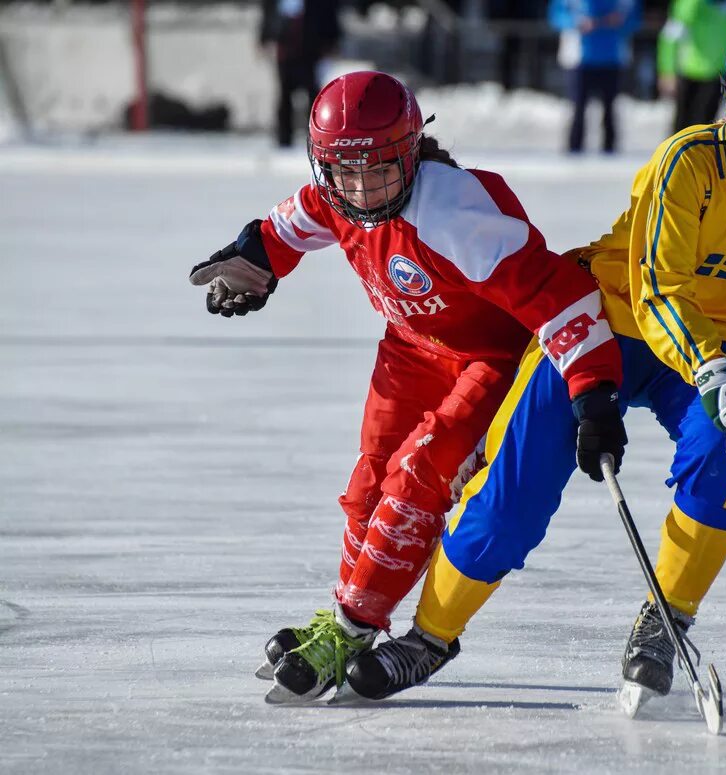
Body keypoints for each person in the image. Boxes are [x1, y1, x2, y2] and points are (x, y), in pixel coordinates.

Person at [343, 14, 726, 704]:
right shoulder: (688, 164)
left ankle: (666, 620)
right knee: (516, 486)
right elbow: (661, 286)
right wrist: (714, 369)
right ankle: (429, 635)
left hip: (720, 352)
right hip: (611, 324)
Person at [187, 71, 625, 703]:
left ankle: (349, 629)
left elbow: (558, 295)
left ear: (412, 151)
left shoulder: (452, 213)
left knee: (417, 475)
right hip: (411, 348)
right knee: (369, 480)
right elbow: (292, 225)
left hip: (489, 357)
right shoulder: (334, 195)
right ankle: (348, 617)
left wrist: (593, 389)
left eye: (382, 172)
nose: (364, 191)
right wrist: (257, 262)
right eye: (346, 173)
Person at [549, 0, 642, 154]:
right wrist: (576, 23)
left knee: (610, 110)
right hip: (579, 59)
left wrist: (620, 21)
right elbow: (556, 16)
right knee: (578, 109)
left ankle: (610, 152)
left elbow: (634, 19)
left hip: (612, 58)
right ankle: (574, 152)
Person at [658, 0, 726, 133]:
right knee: (681, 127)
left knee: (703, 127)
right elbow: (671, 36)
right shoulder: (689, 4)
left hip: (719, 73)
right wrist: (667, 70)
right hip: (689, 71)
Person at [259, 0, 341, 147]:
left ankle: (316, 137)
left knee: (313, 96)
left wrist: (332, 43)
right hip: (285, 52)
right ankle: (284, 138)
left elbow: (328, 16)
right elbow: (269, 16)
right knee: (285, 95)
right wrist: (264, 39)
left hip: (310, 52)